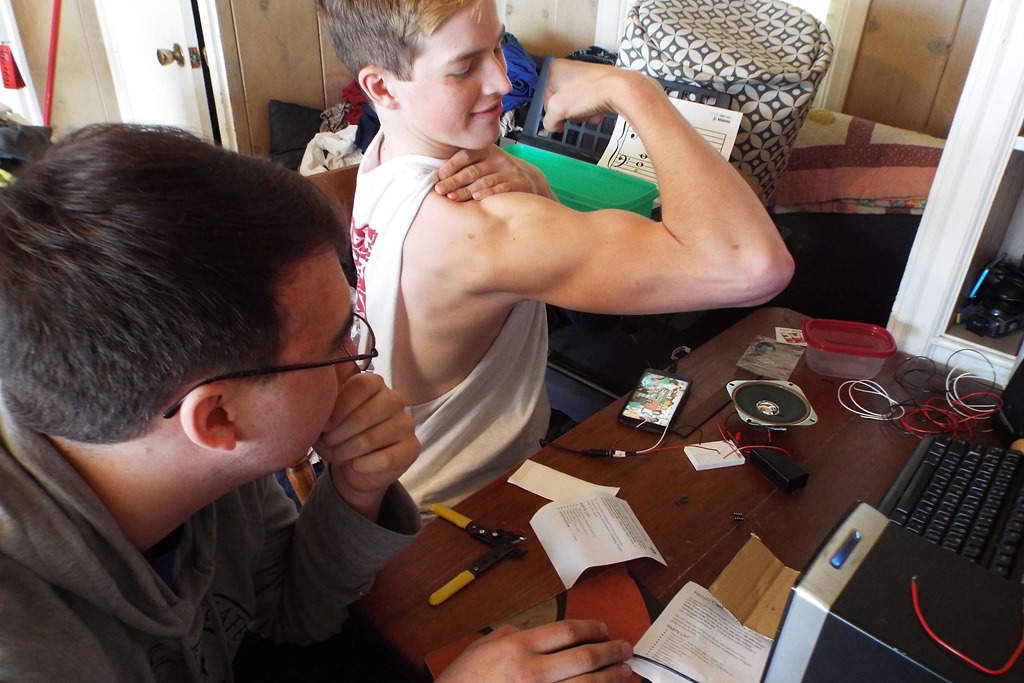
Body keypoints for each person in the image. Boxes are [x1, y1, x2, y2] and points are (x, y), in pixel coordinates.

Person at [0, 123, 633, 682]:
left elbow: (285, 613)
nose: (358, 362)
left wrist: (355, 489)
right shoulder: (26, 644)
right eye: (336, 344)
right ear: (217, 419)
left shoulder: (209, 467)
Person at [317, 0, 796, 511]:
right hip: (454, 511)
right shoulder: (479, 227)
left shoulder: (388, 152)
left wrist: (533, 181)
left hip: (399, 484)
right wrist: (637, 92)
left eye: (497, 48)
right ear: (382, 87)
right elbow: (752, 265)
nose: (502, 82)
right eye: (464, 67)